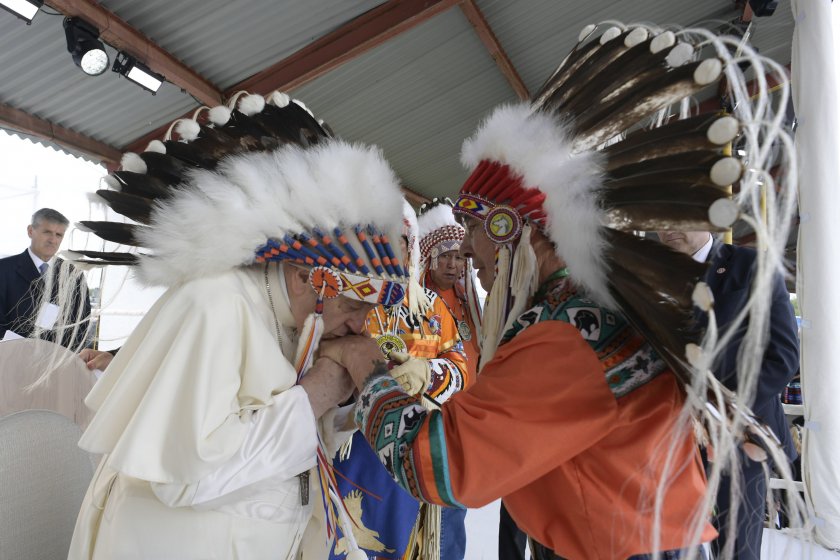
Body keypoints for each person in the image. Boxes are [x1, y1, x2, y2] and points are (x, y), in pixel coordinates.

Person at [316, 22, 801, 560]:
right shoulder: (588, 307)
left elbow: (443, 465)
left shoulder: (568, 332)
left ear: (511, 231)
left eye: (475, 231)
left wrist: (366, 366)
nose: (474, 257)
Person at [63, 91, 410, 560]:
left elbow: (282, 436)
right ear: (307, 276)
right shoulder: (216, 305)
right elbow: (184, 479)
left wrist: (347, 397)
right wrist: (320, 391)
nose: (359, 327)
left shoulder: (293, 315)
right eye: (352, 307)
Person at [329, 201, 470, 560]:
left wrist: (428, 374)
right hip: (353, 443)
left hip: (414, 443)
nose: (392, 249)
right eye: (382, 240)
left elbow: (461, 370)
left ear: (412, 248)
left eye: (401, 240)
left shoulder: (435, 310)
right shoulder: (345, 300)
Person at [656, 230, 800, 560]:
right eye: (661, 219)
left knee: (736, 550)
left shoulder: (751, 266)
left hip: (739, 440)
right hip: (667, 437)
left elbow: (782, 357)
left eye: (678, 216)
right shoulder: (651, 271)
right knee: (665, 545)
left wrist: (718, 412)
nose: (667, 227)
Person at [0, 208, 91, 348]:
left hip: (57, 361)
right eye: (47, 232)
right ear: (30, 231)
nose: (53, 240)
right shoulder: (4, 269)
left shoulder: (74, 274)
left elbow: (81, 323)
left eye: (59, 234)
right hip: (12, 358)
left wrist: (63, 356)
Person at [417, 197, 481, 380]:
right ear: (431, 258)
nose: (452, 265)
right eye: (445, 256)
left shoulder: (467, 301)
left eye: (459, 258)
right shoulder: (418, 301)